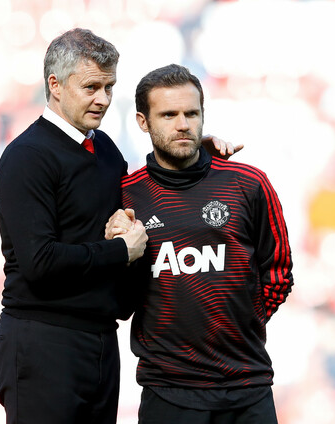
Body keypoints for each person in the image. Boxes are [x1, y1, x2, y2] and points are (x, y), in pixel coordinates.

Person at [0, 29, 238, 424]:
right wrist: (119, 251)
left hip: (102, 341)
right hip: (43, 340)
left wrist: (191, 152)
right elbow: (40, 262)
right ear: (55, 85)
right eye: (91, 87)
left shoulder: (104, 148)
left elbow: (143, 197)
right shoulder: (27, 157)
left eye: (109, 87)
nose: (103, 99)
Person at [106, 64, 294, 424]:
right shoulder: (126, 196)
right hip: (168, 390)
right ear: (143, 122)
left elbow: (279, 272)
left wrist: (243, 323)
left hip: (247, 386)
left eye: (191, 114)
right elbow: (118, 297)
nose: (182, 124)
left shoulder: (248, 184)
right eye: (169, 115)